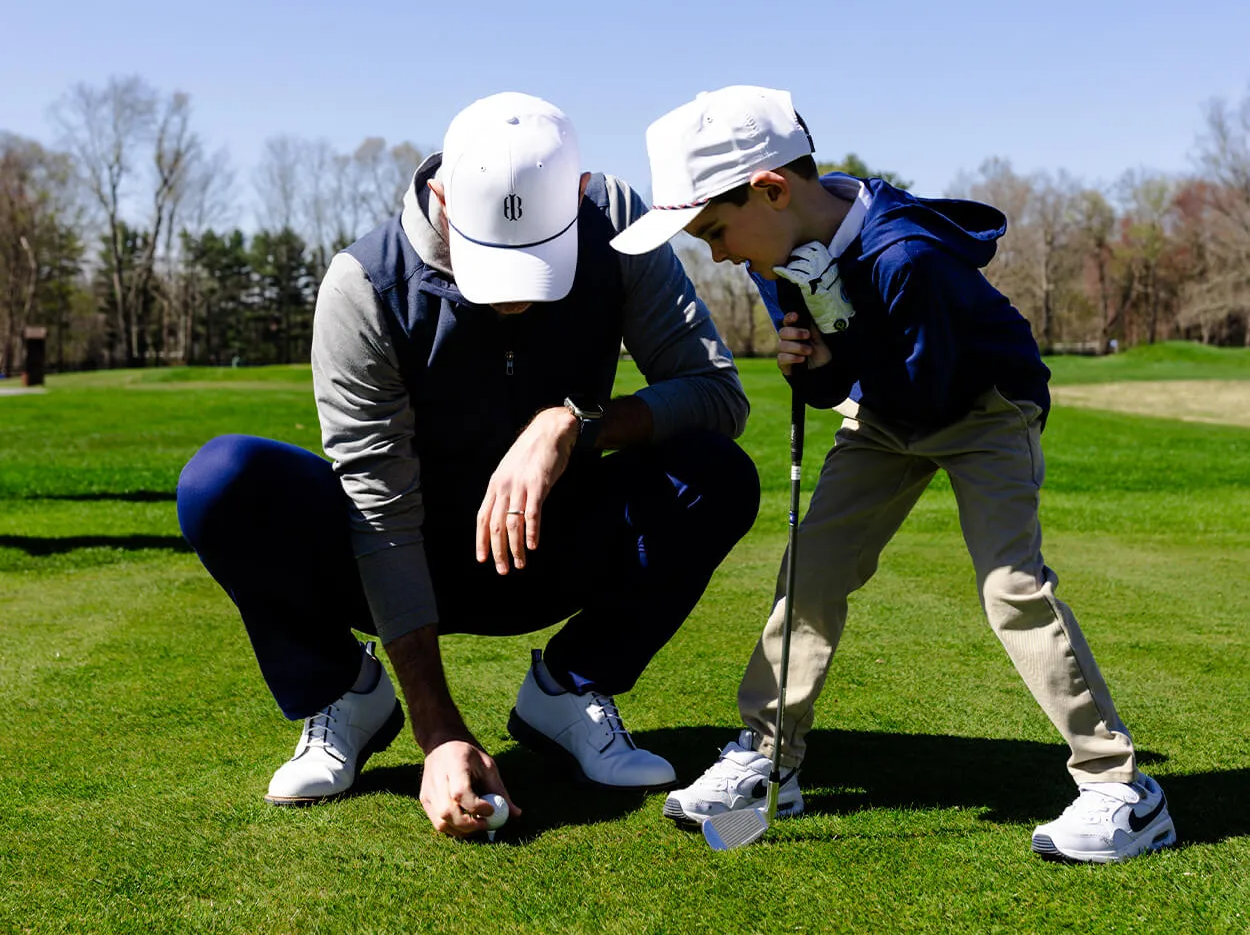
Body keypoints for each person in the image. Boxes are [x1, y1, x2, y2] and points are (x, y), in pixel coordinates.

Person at [610, 85, 1175, 864]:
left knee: (1011, 587)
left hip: (983, 410)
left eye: (714, 229)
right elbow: (824, 382)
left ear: (770, 189)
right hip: (883, 412)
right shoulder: (777, 253)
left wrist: (838, 333)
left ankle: (1122, 790)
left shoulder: (908, 254)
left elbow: (931, 392)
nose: (718, 253)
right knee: (811, 568)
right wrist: (812, 359)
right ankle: (771, 759)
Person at [176, 92, 760, 839]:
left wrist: (573, 425)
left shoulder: (616, 226)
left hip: (550, 543)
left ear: (578, 196)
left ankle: (569, 690)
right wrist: (438, 731)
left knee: (714, 473)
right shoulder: (365, 283)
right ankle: (347, 694)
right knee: (222, 481)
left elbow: (716, 393)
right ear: (443, 195)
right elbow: (380, 512)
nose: (516, 292)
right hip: (399, 557)